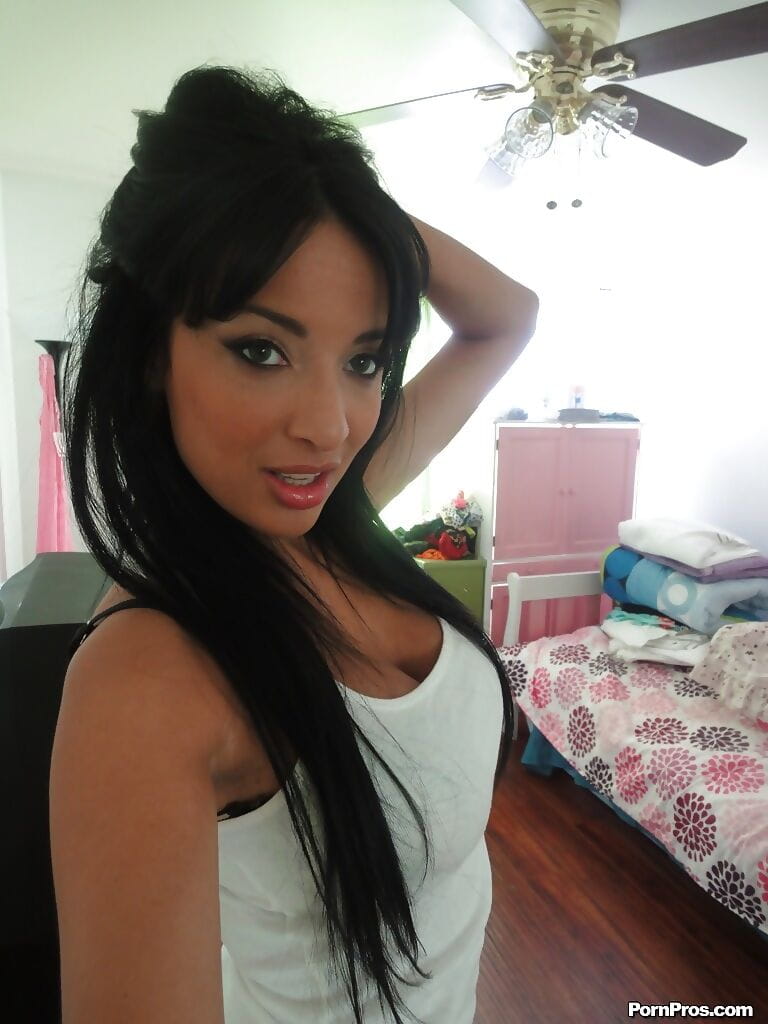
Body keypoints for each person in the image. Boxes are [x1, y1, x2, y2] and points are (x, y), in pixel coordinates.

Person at [49, 65, 539, 1024]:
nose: (332, 425)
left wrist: (334, 196)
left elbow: (507, 317)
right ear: (153, 355)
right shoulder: (145, 679)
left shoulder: (327, 506)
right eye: (261, 350)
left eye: (365, 358)